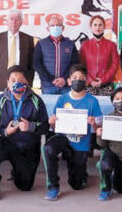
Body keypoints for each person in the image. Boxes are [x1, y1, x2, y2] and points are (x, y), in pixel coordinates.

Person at [0, 65, 49, 201]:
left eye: (20, 79)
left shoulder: (36, 101)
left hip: (27, 147)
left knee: (25, 186)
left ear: (26, 82)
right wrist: (4, 131)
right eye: (13, 80)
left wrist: (31, 127)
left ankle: (17, 171)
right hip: (6, 142)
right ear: (7, 83)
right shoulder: (1, 100)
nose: (16, 83)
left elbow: (46, 127)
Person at [43, 64, 102, 200]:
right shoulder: (62, 99)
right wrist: (52, 123)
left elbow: (99, 128)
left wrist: (94, 124)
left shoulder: (92, 101)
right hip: (63, 139)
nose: (78, 81)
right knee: (48, 149)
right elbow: (55, 127)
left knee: (77, 184)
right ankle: (53, 186)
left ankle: (82, 173)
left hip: (81, 143)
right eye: (74, 78)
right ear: (69, 81)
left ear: (86, 81)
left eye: (81, 78)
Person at [0, 10, 34, 92]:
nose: (14, 22)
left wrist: (28, 83)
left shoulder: (28, 39)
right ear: (7, 22)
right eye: (11, 19)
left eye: (17, 19)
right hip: (0, 84)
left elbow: (31, 65)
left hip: (21, 84)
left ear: (21, 22)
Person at [33, 14, 79, 94]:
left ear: (63, 28)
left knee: (67, 106)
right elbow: (37, 64)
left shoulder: (70, 44)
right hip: (48, 86)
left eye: (58, 25)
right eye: (52, 25)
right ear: (47, 28)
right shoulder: (41, 43)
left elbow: (75, 64)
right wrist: (51, 79)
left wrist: (64, 79)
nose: (55, 27)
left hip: (66, 86)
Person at [80, 15, 119, 96]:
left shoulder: (111, 45)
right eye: (95, 25)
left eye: (100, 25)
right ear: (91, 27)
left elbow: (114, 65)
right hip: (89, 85)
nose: (98, 27)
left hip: (107, 85)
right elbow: (81, 65)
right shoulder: (85, 45)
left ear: (104, 27)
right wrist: (90, 80)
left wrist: (103, 80)